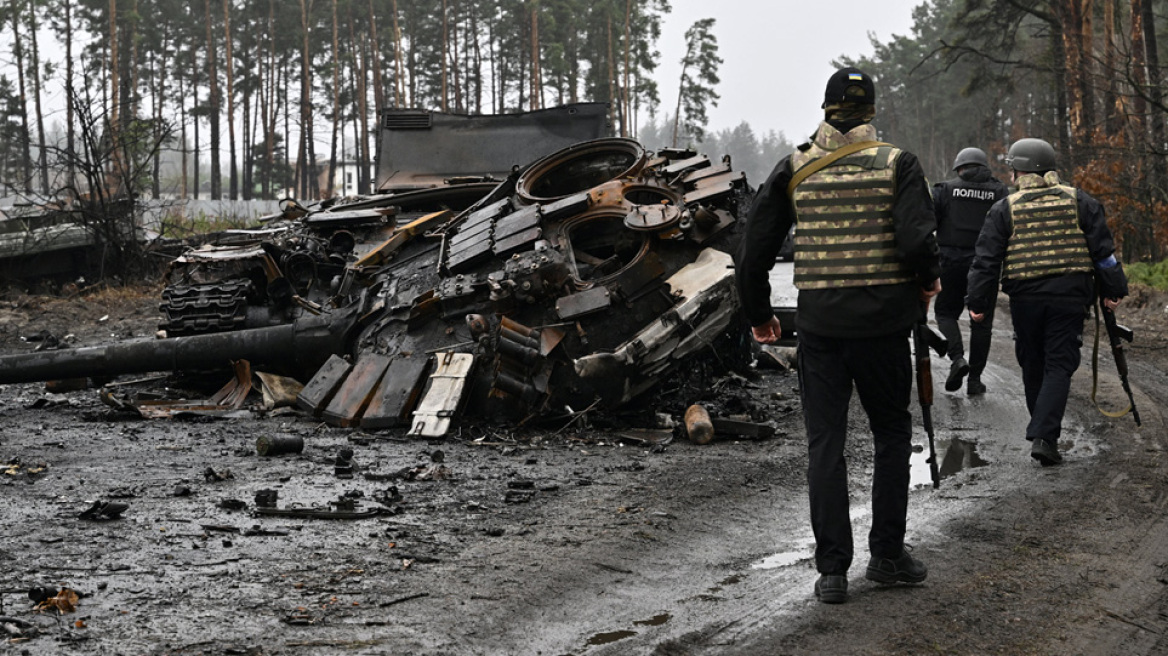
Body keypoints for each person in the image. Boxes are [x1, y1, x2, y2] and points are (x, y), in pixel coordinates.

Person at [735, 67, 942, 604]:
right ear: (871, 110)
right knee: (891, 436)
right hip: (883, 329)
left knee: (825, 444)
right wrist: (927, 285)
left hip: (821, 330)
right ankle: (888, 556)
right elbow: (918, 241)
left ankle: (832, 572)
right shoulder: (898, 163)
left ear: (827, 109)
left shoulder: (794, 165)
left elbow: (754, 252)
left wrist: (760, 316)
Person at [966, 137, 1128, 466]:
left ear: (1018, 172)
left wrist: (978, 302)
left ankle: (1044, 434)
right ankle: (1044, 434)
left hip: (1025, 299)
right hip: (1069, 297)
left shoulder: (1003, 209)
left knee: (1032, 362)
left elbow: (986, 261)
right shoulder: (1080, 201)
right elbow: (1104, 255)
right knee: (1059, 364)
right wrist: (1113, 291)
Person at [931, 148, 1009, 395]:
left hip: (950, 262)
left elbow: (929, 223)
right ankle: (974, 380)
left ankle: (957, 359)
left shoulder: (944, 189)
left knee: (945, 312)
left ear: (960, 168)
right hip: (986, 266)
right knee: (982, 322)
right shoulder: (999, 191)